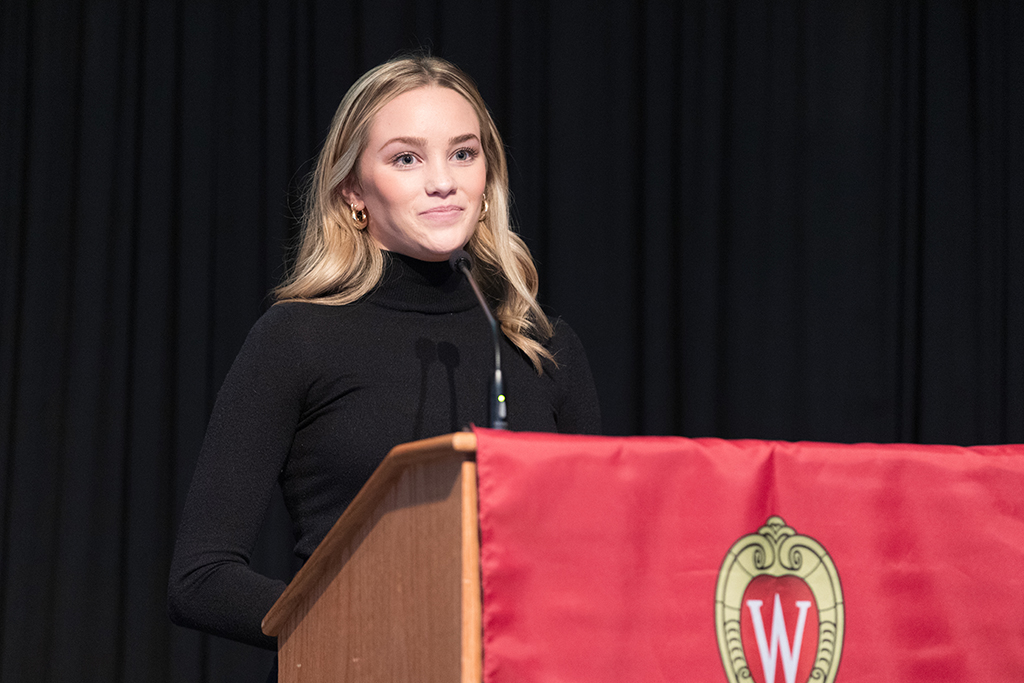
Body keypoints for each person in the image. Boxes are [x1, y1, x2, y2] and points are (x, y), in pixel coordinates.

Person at [167, 54, 601, 656]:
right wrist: (360, 627)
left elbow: (595, 562)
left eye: (463, 153)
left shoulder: (541, 344)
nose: (443, 181)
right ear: (353, 192)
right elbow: (201, 579)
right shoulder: (298, 338)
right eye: (406, 158)